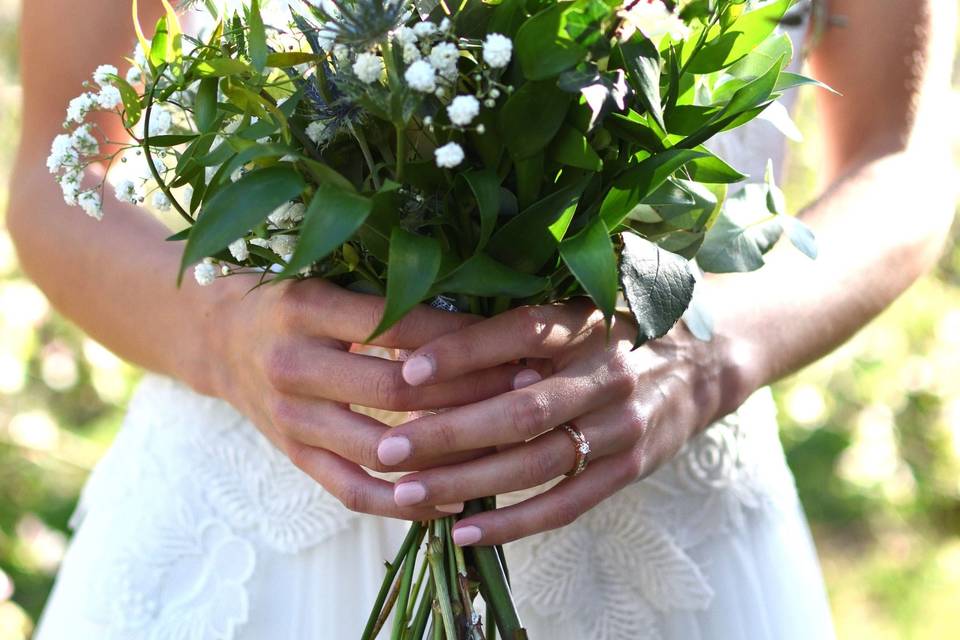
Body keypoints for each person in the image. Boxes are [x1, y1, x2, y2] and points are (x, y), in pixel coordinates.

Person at [6, 0, 955, 638]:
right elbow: (58, 177)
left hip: (664, 532)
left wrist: (705, 354)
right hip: (252, 541)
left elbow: (896, 158)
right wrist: (222, 341)